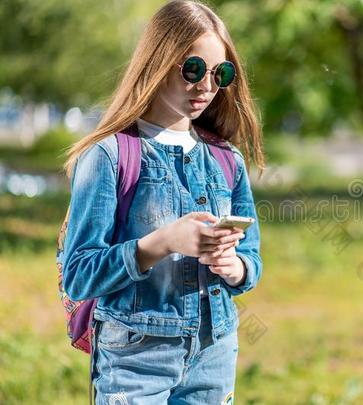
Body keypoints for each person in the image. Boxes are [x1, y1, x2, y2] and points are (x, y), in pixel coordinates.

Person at [61, 1, 264, 403]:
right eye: (193, 70)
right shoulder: (109, 156)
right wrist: (163, 242)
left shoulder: (227, 160)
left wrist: (235, 266)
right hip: (134, 360)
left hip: (214, 351)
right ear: (157, 62)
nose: (206, 86)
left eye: (220, 74)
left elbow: (253, 261)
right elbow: (79, 275)